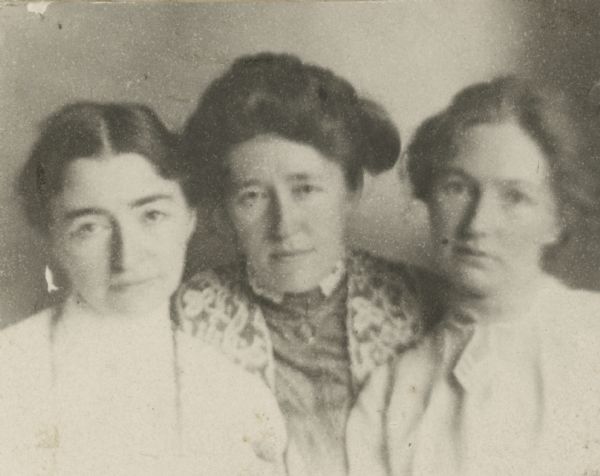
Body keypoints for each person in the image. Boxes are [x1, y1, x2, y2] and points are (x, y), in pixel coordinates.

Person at [176, 52, 436, 476]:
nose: (284, 225)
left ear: (351, 190)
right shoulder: (188, 318)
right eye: (252, 197)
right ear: (223, 213)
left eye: (306, 189)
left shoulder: (418, 305)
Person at [3, 102, 285, 476]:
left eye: (152, 215)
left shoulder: (238, 398)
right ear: (53, 238)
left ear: (189, 217)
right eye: (89, 227)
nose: (128, 255)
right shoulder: (11, 375)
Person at [347, 76, 600, 475]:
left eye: (514, 197)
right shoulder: (391, 393)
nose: (478, 223)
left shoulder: (591, 342)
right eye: (457, 188)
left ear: (558, 219)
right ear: (428, 199)